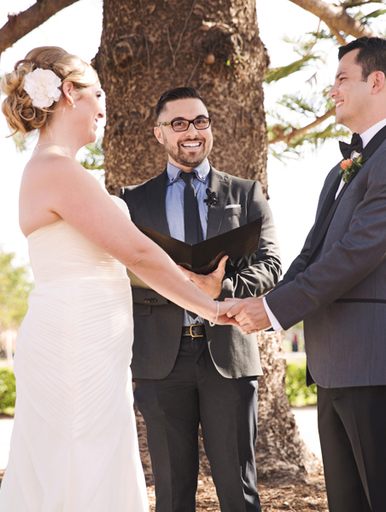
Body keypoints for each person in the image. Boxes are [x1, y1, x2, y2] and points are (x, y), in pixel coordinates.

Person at [0, 48, 234, 512]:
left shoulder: (54, 169)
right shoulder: (59, 170)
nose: (104, 106)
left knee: (85, 459)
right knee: (83, 460)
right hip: (74, 343)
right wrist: (214, 309)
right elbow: (139, 254)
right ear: (69, 93)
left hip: (86, 341)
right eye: (98, 92)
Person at [226, 37, 386, 512]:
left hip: (382, 366)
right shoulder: (341, 170)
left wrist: (274, 311)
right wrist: (255, 299)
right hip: (334, 367)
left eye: (342, 78)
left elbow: (353, 256)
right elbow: (313, 255)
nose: (332, 89)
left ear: (376, 82)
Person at [120, 87, 281, 512]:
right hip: (160, 358)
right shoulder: (131, 201)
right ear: (159, 134)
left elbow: (271, 265)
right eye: (179, 123)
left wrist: (222, 289)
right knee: (172, 493)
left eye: (200, 122)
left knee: (239, 489)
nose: (192, 132)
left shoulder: (246, 193)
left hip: (228, 355)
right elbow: (116, 271)